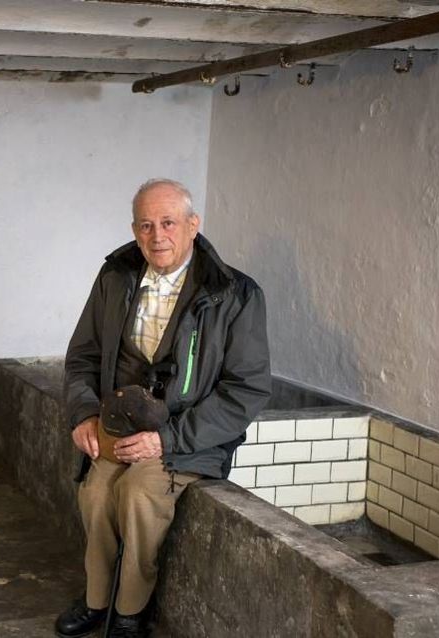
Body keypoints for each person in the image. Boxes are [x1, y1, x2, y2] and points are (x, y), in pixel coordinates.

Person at [56, 179, 272, 638]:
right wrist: (83, 414)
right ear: (134, 230)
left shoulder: (236, 294)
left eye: (169, 222)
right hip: (118, 426)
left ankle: (130, 611)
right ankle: (97, 600)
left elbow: (246, 390)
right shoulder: (115, 278)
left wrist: (167, 439)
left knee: (137, 493)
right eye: (146, 225)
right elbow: (83, 358)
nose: (158, 236)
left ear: (193, 225)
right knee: (94, 494)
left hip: (188, 438)